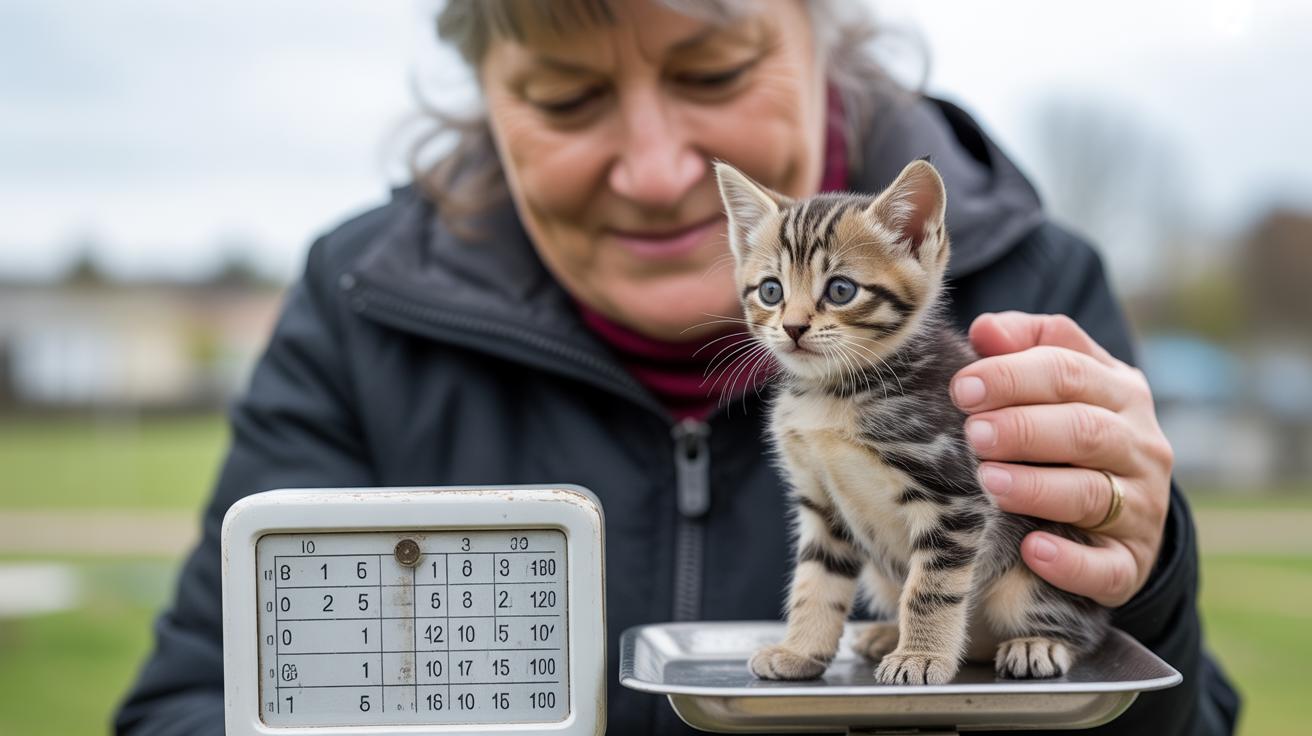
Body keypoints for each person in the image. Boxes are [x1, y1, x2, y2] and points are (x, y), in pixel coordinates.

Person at [115, 1, 1240, 734]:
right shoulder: (361, 304)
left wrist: (1143, 577)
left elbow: (1180, 717)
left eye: (711, 70)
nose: (660, 174)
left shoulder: (1031, 285)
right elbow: (191, 702)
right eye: (565, 96)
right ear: (484, 98)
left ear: (820, 38)